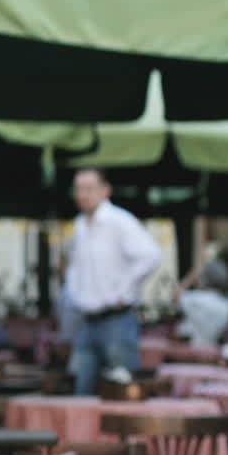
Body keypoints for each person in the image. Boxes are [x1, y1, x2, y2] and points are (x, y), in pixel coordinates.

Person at [66, 169, 162, 395]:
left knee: (122, 390)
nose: (82, 194)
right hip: (87, 320)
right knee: (82, 389)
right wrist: (75, 295)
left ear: (105, 190)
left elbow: (151, 255)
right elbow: (74, 268)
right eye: (78, 189)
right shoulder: (80, 225)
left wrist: (122, 289)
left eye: (88, 188)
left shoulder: (119, 221)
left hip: (117, 318)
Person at [175, 259, 228, 346]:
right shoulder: (227, 305)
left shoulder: (196, 298)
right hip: (212, 349)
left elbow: (176, 295)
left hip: (189, 348)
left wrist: (192, 276)